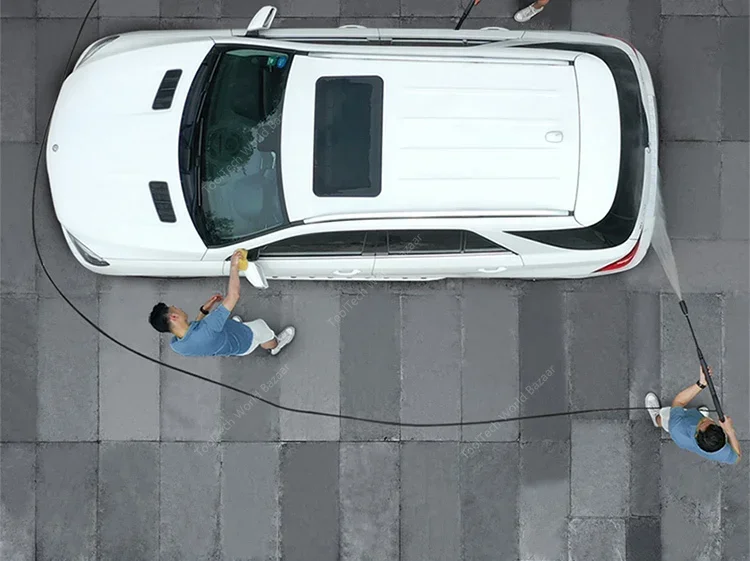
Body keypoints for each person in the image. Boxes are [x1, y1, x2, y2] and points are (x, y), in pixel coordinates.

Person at [148, 250, 295, 357]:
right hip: (246, 339)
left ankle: (238, 327)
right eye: (176, 308)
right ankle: (274, 345)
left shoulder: (177, 345)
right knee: (261, 326)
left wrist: (204, 311)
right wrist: (234, 266)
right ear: (173, 317)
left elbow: (196, 331)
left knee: (224, 323)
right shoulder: (209, 327)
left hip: (229, 346)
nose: (179, 308)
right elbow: (234, 295)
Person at [645, 367, 741, 464]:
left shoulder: (677, 427)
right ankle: (698, 414)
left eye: (702, 422)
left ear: (696, 434)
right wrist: (730, 431)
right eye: (711, 423)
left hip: (678, 425)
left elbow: (679, 402)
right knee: (697, 415)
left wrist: (701, 384)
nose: (706, 419)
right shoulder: (721, 452)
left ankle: (656, 419)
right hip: (692, 425)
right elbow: (737, 458)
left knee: (666, 418)